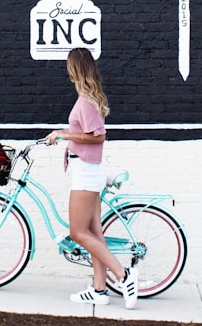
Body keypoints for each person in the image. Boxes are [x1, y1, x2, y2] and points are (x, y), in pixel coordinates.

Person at [44, 47, 138, 309]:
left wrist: (65, 135)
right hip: (86, 170)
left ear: (75, 69)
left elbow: (98, 136)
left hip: (86, 173)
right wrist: (62, 133)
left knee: (77, 232)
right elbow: (85, 131)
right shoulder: (86, 98)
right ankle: (99, 290)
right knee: (94, 232)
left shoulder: (86, 100)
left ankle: (123, 275)